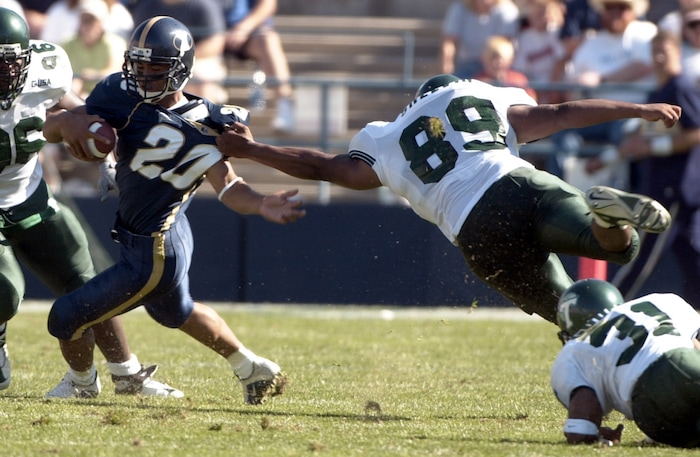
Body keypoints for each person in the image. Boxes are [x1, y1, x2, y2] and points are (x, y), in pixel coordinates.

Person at [216, 74, 679, 324]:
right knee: (623, 247)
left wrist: (252, 150)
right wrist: (637, 109)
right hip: (517, 180)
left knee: (576, 316)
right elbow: (557, 113)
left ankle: (592, 408)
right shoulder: (477, 94)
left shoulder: (386, 135)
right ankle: (605, 213)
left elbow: (324, 166)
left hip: (475, 229)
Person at [42, 16, 306, 403]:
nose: (144, 77)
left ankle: (82, 386)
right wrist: (67, 124)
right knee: (173, 311)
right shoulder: (117, 91)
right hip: (160, 235)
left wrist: (261, 203)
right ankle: (251, 367)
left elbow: (229, 186)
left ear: (181, 69)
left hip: (157, 249)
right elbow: (64, 126)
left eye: (156, 69)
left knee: (66, 316)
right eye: (139, 66)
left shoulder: (209, 124)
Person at [0, 6, 181, 397]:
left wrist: (94, 136)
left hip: (29, 196)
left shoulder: (45, 65)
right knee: (5, 292)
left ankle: (126, 374)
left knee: (87, 285)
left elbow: (75, 105)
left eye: (9, 62)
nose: (4, 72)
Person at [589, 31, 700, 301]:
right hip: (665, 181)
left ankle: (608, 305)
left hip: (674, 183)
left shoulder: (680, 86)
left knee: (642, 252)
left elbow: (696, 131)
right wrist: (606, 159)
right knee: (691, 256)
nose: (660, 58)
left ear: (677, 53)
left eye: (666, 51)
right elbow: (640, 139)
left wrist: (652, 147)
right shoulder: (659, 90)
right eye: (655, 52)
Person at [551, 278, 700, 448]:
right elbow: (695, 345)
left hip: (648, 415)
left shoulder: (574, 351)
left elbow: (580, 430)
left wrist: (597, 434)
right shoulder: (662, 301)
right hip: (678, 363)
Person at [128, 0, 229, 104]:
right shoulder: (148, 4)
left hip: (200, 58)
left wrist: (184, 59)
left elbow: (215, 42)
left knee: (202, 76)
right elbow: (136, 40)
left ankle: (201, 117)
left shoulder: (202, 4)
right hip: (151, 59)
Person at [222, 0, 294, 132]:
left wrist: (244, 27)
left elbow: (267, 4)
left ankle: (284, 103)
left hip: (245, 32)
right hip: (206, 31)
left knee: (267, 39)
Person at [61, 0, 126, 98]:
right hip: (74, 95)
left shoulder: (115, 43)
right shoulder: (67, 44)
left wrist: (95, 75)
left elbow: (116, 71)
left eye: (92, 20)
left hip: (105, 97)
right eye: (85, 20)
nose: (87, 25)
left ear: (101, 23)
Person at [441, 0, 521, 79]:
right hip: (467, 66)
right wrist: (447, 68)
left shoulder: (507, 11)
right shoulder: (459, 8)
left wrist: (490, 66)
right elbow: (449, 42)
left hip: (495, 66)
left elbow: (505, 47)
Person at [512, 0, 566, 103]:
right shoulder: (523, 38)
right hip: (534, 83)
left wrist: (551, 86)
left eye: (543, 14)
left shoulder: (556, 32)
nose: (541, 18)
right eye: (536, 14)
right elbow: (520, 70)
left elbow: (561, 60)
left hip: (556, 82)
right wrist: (532, 88)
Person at [474, 35, 537, 100]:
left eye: (501, 58)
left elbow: (531, 102)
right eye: (492, 57)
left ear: (510, 60)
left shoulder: (519, 80)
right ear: (483, 59)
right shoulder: (476, 82)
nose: (497, 63)